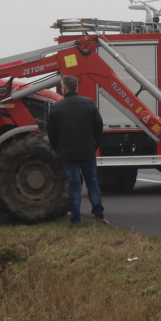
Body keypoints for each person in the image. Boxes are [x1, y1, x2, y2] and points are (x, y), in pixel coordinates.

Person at [46, 74, 107, 227]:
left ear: (63, 88)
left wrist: (57, 149)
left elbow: (51, 133)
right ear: (76, 87)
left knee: (73, 185)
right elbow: (99, 126)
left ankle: (75, 220)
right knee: (92, 182)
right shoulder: (89, 104)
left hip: (67, 153)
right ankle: (99, 216)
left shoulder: (56, 107)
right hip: (87, 151)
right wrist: (94, 144)